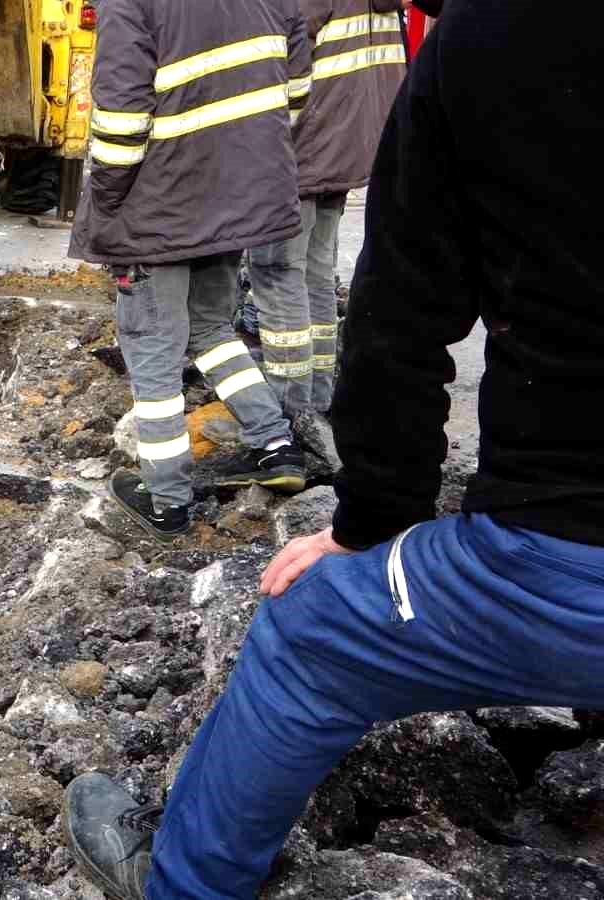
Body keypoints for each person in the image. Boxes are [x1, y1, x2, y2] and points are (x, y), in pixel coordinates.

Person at [65, 3, 604, 898]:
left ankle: (185, 880)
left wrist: (371, 525)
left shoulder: (490, 38)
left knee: (305, 630)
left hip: (560, 551)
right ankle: (279, 433)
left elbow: (398, 327)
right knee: (241, 320)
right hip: (257, 192)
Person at [70, 0, 312, 541]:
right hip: (232, 202)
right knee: (211, 329)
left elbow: (121, 118)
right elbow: (294, 97)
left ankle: (167, 502)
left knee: (152, 351)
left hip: (159, 209)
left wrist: (108, 201)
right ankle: (276, 446)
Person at [245, 0, 405, 415]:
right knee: (315, 273)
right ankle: (319, 398)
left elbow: (278, 63)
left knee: (278, 273)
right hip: (346, 145)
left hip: (302, 151)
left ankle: (287, 411)